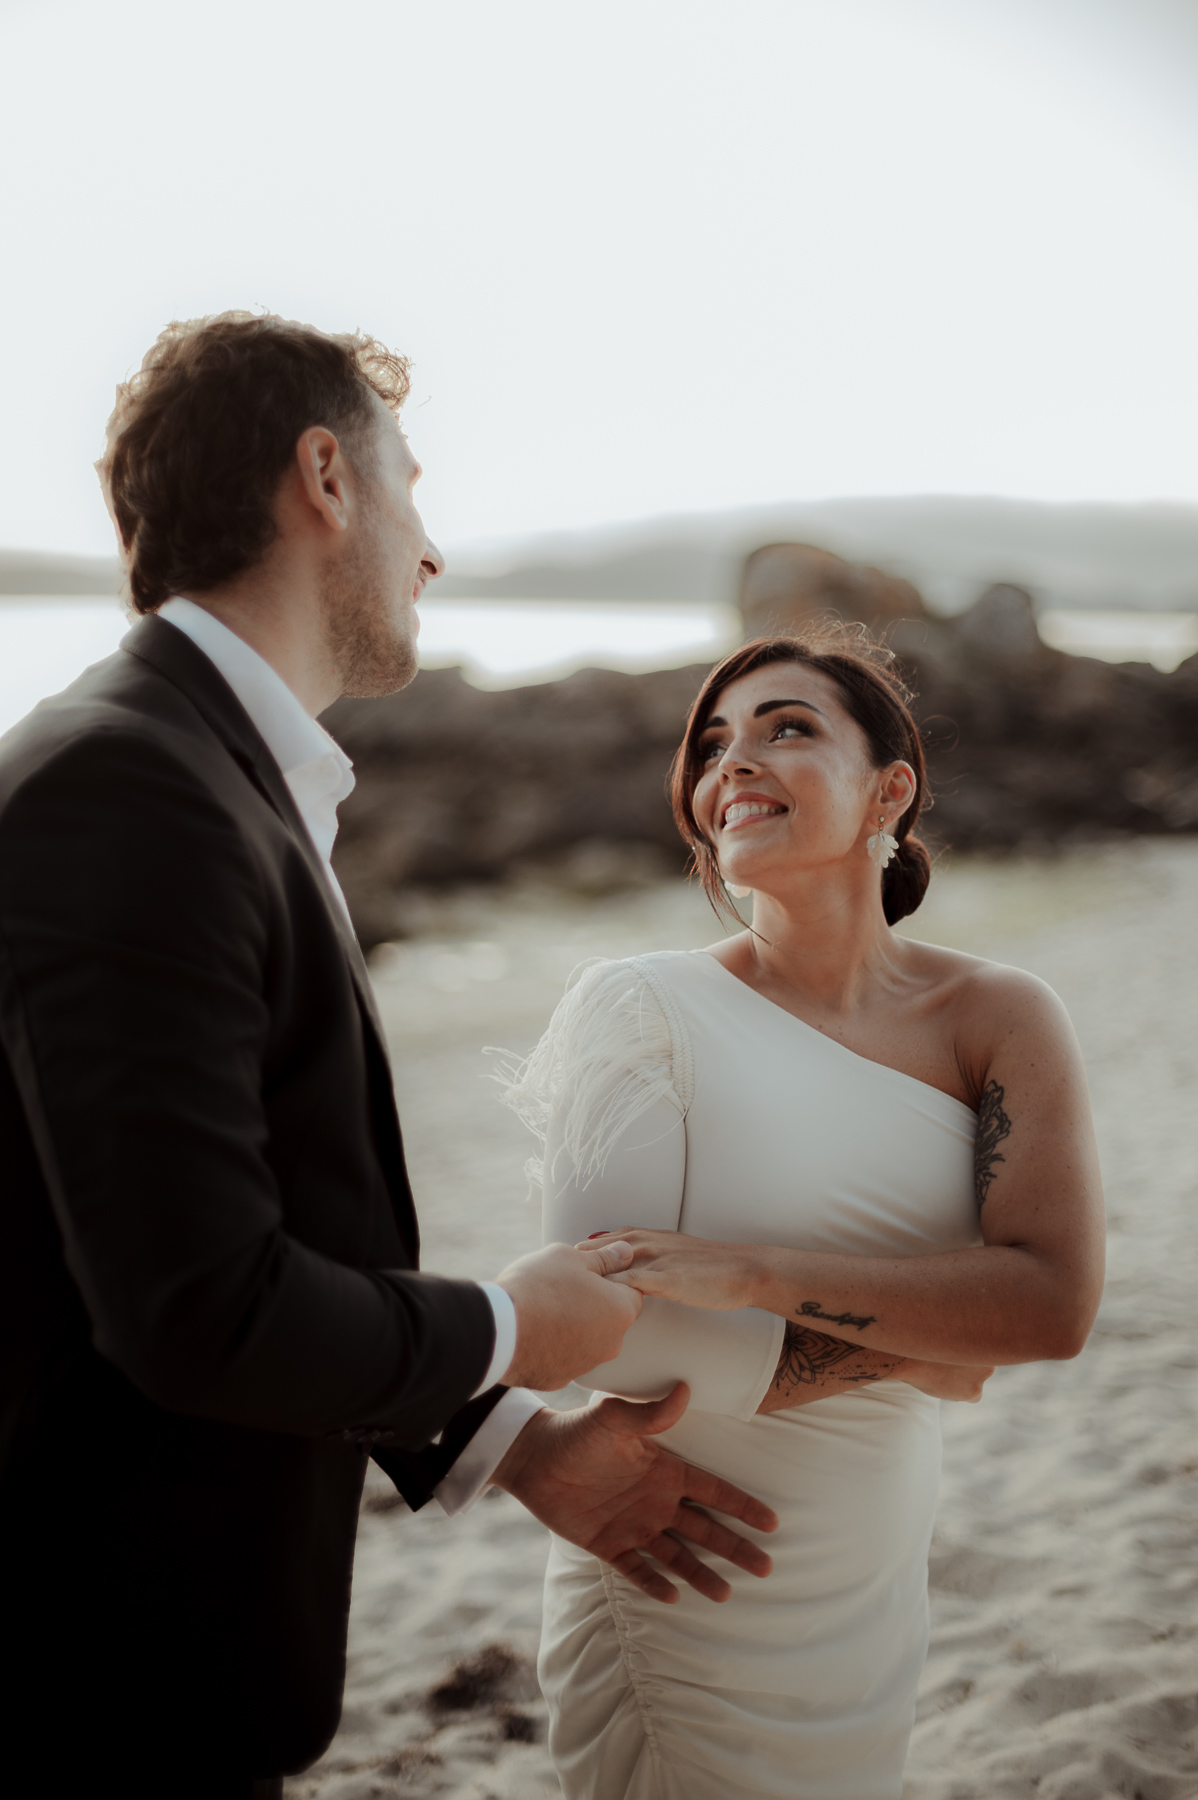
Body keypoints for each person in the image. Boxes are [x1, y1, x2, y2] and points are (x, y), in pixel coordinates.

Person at [0, 313, 777, 1798]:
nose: (431, 548)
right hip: (88, 1676)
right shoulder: (125, 790)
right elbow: (196, 1308)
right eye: (410, 485)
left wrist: (506, 1441)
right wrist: (507, 1327)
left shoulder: (192, 766)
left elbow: (258, 1217)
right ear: (324, 478)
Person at [500, 629, 1106, 1799]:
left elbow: (1049, 1305)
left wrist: (756, 1273)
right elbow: (607, 1331)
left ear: (891, 788)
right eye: (712, 745)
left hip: (868, 1572)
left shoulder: (1000, 1015)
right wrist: (927, 1345)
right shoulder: (639, 1005)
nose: (733, 762)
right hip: (683, 1557)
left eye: (787, 727)